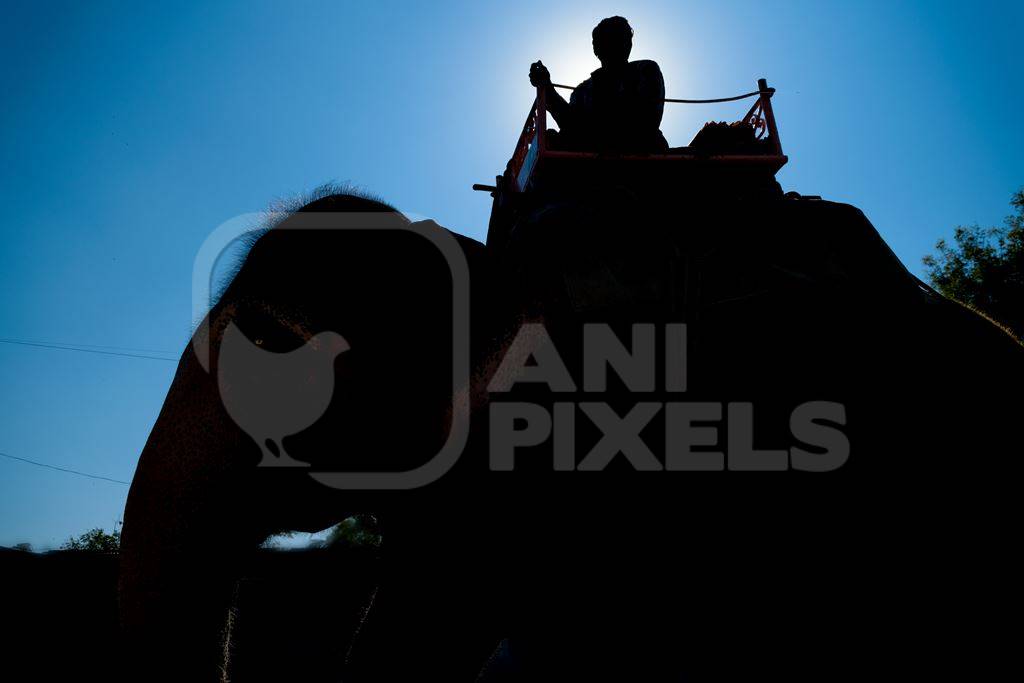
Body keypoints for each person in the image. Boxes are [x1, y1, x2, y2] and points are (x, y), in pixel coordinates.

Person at [529, 16, 669, 153]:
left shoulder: (645, 70)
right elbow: (571, 126)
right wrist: (548, 89)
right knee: (550, 139)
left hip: (642, 152)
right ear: (596, 48)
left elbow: (647, 122)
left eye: (621, 39)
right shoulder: (582, 91)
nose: (616, 45)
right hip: (594, 155)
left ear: (628, 44)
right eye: (610, 40)